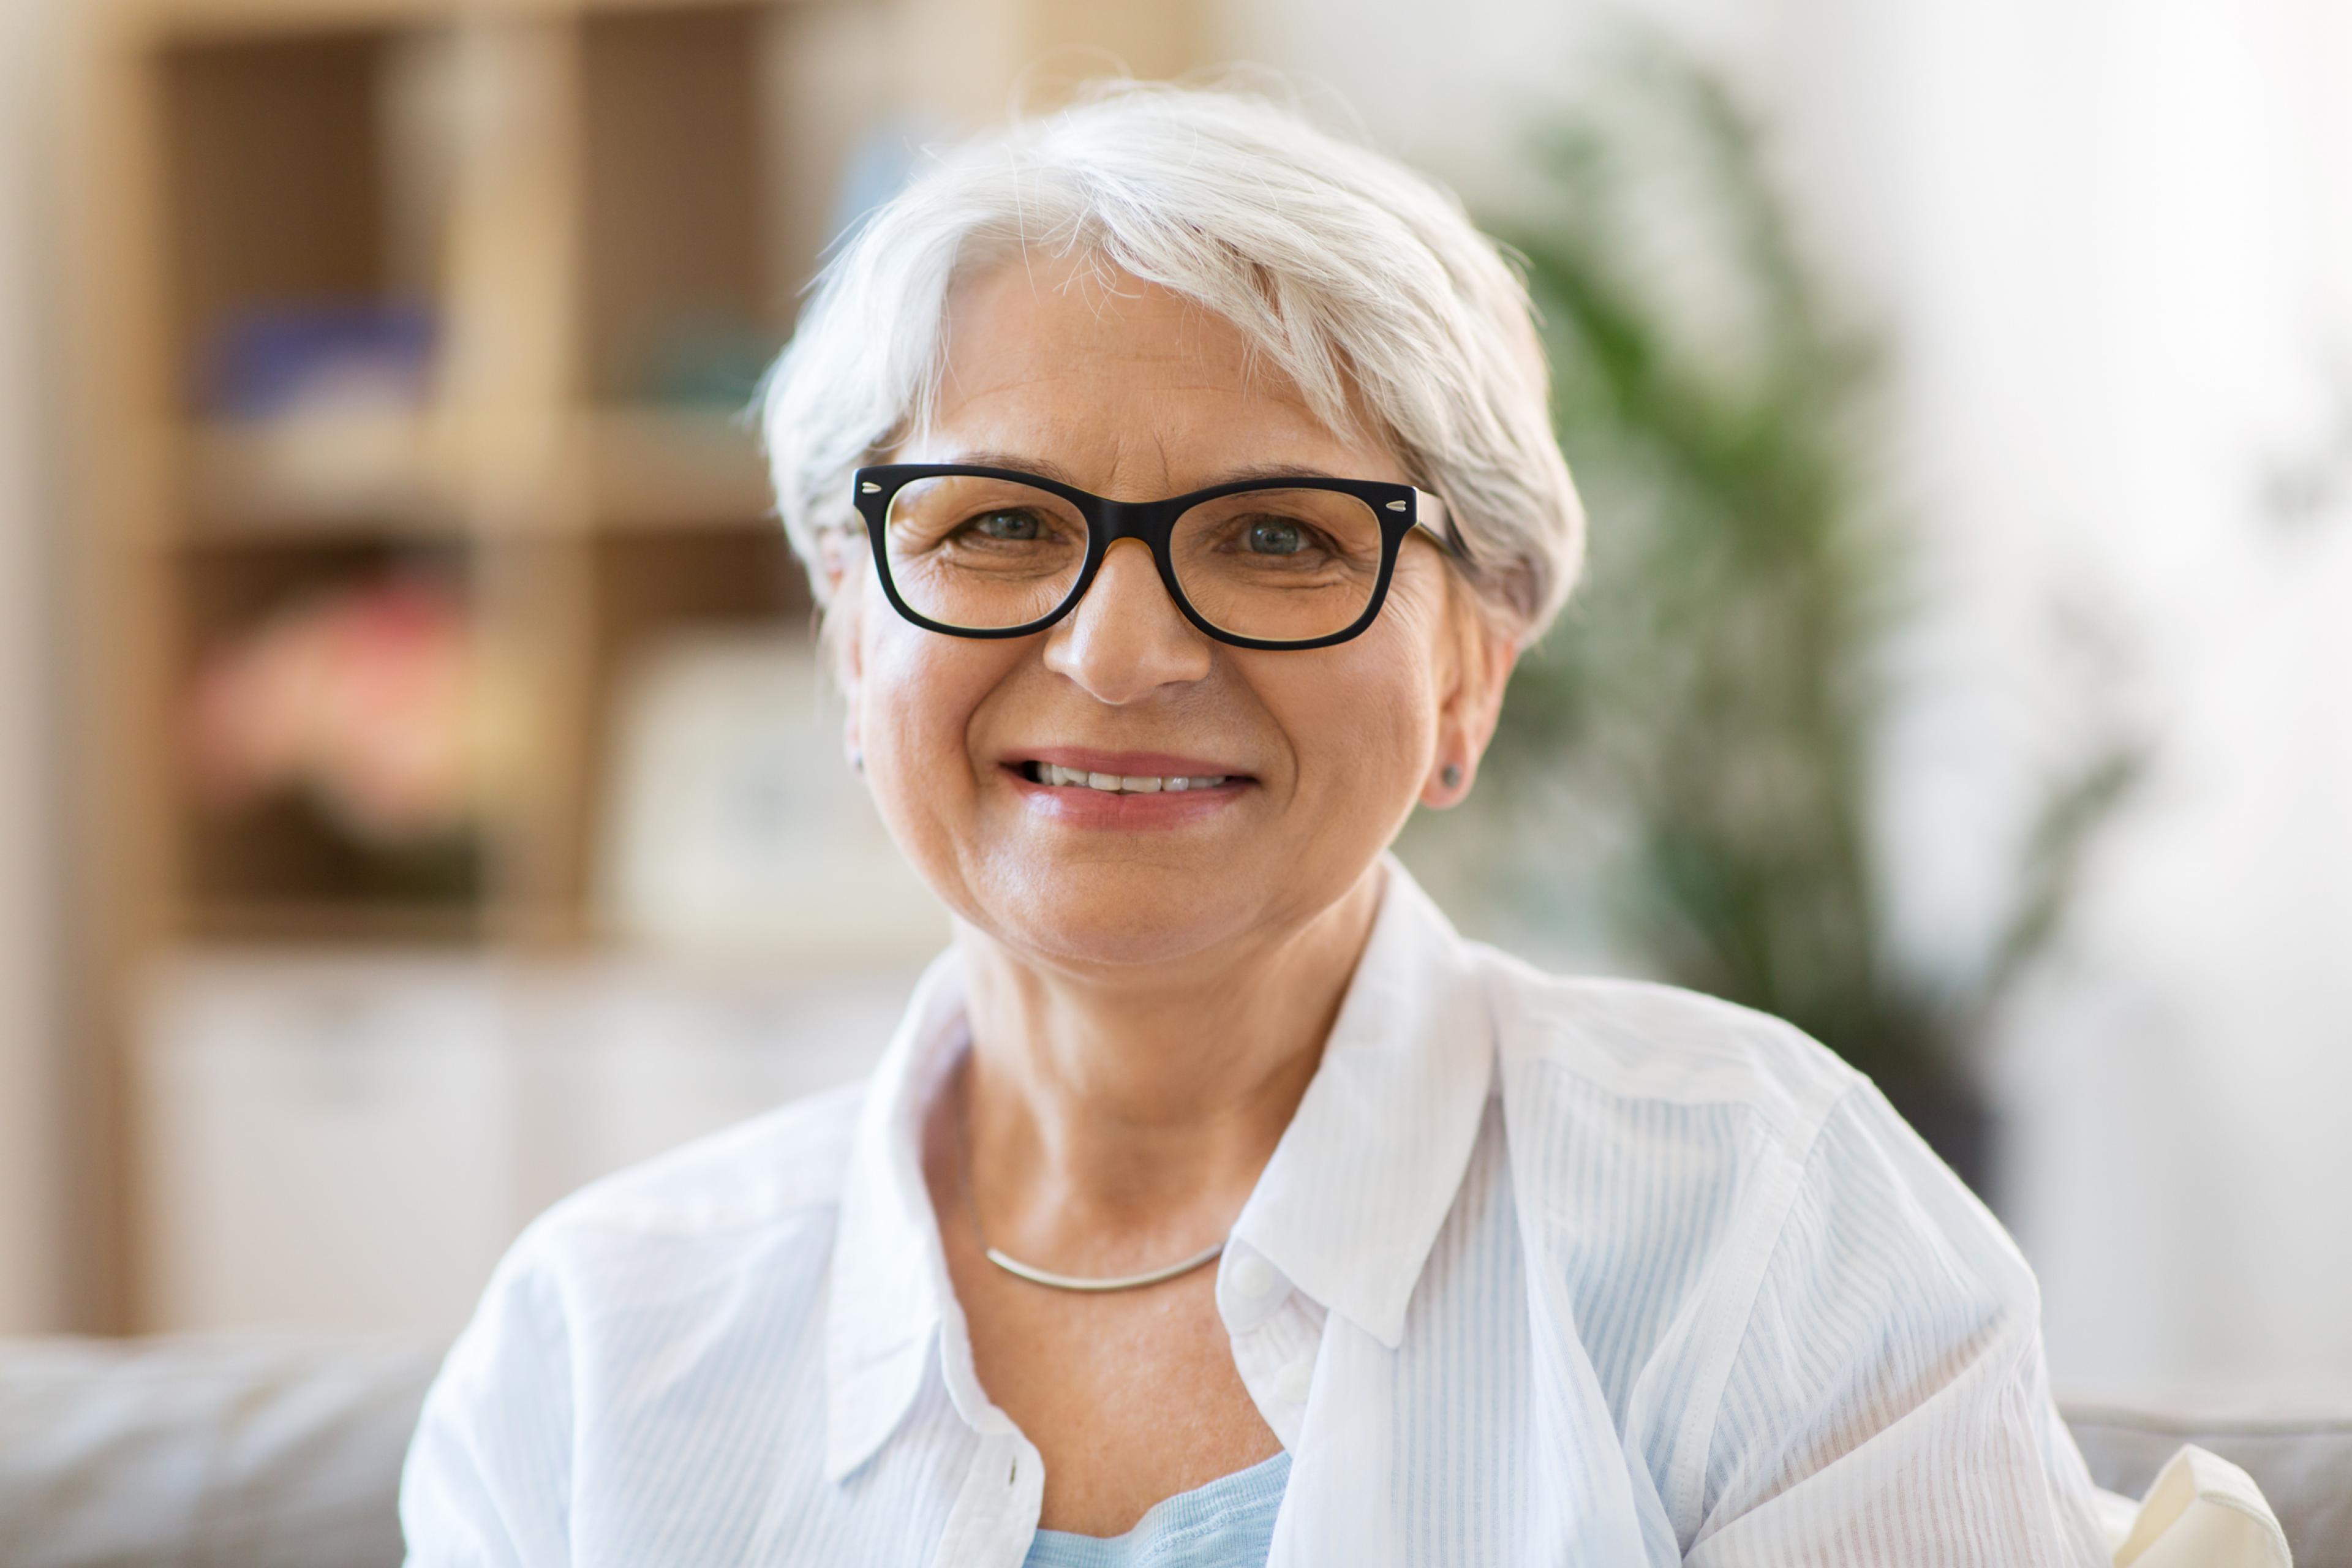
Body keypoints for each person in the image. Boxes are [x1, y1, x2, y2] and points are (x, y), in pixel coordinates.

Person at [400, 81, 2113, 1567]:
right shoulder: (596, 1345)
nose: (1119, 653)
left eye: (1279, 537)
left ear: (1471, 672)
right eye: (996, 522)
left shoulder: (1760, 1229)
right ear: (856, 641)